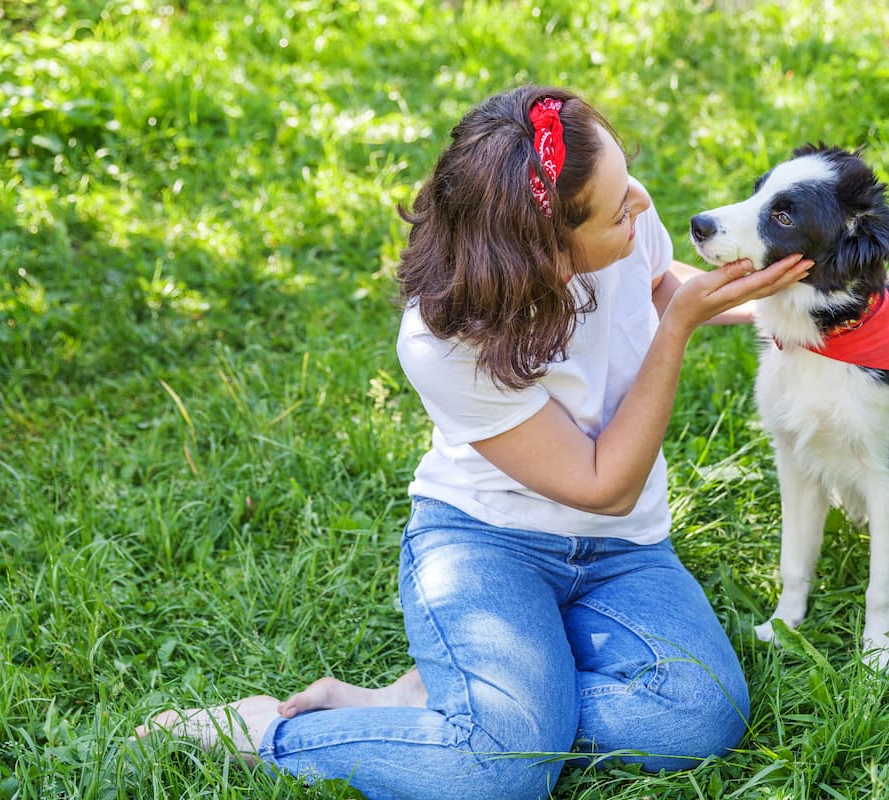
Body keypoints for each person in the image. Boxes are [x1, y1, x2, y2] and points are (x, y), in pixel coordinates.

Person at [136, 84, 813, 799]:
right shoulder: (442, 340)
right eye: (619, 213)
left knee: (701, 713)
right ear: (547, 256)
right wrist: (678, 329)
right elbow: (601, 485)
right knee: (499, 778)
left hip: (625, 552)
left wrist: (773, 307)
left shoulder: (618, 206)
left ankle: (464, 707)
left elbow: (653, 284)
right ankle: (270, 735)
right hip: (490, 541)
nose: (642, 207)